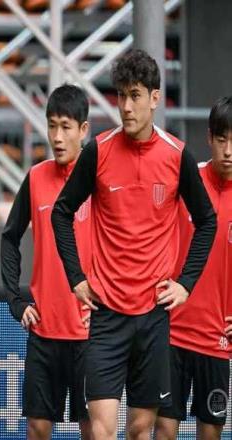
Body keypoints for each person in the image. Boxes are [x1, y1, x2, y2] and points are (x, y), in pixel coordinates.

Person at [51, 49, 217, 440]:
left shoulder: (177, 156)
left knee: (141, 430)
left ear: (155, 98)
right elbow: (61, 212)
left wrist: (185, 284)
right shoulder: (98, 151)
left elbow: (207, 221)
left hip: (153, 315)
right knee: (102, 430)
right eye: (122, 95)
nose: (126, 106)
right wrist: (76, 277)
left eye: (136, 95)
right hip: (106, 313)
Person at [1, 84, 92, 440]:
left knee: (94, 429)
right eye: (52, 126)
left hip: (90, 333)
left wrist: (111, 307)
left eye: (66, 127)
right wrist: (16, 300)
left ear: (83, 130)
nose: (57, 136)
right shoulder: (36, 177)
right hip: (44, 330)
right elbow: (10, 237)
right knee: (37, 428)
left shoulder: (100, 181)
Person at [155, 96, 232, 440]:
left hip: (217, 340)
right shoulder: (186, 182)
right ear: (209, 137)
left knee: (211, 434)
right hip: (171, 332)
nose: (228, 151)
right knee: (164, 429)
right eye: (222, 139)